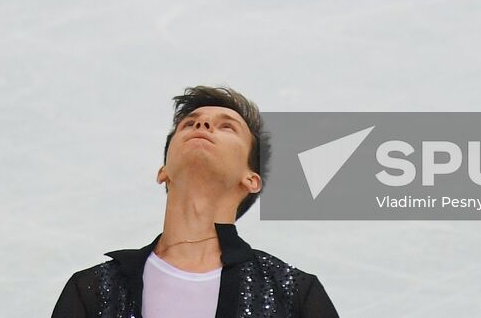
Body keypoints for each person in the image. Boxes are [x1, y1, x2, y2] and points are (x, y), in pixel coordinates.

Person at [50, 85, 340, 318]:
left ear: (251, 179)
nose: (202, 124)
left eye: (227, 127)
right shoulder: (94, 290)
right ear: (163, 171)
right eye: (188, 123)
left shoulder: (293, 295)